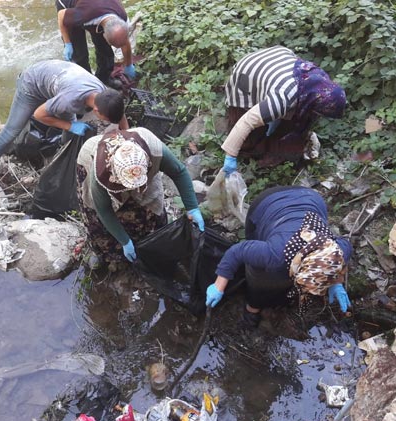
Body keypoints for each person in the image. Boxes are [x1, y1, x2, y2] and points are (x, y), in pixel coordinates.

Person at [204, 186, 353, 328]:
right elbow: (237, 251)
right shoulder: (275, 254)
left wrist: (335, 281)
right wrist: (219, 286)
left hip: (311, 200)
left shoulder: (339, 250)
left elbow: (343, 251)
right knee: (260, 274)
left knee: (275, 269)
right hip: (267, 203)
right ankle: (252, 308)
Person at [0, 59, 128, 195]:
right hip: (31, 84)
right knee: (11, 131)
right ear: (96, 111)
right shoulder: (69, 100)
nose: (106, 122)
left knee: (70, 127)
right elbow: (39, 115)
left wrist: (127, 136)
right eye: (105, 119)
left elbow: (119, 112)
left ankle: (62, 158)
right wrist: (70, 125)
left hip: (58, 80)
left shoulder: (105, 95)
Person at [76, 127, 204, 264]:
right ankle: (109, 256)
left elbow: (179, 172)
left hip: (137, 165)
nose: (134, 189)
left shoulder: (154, 150)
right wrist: (124, 241)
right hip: (91, 160)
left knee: (149, 210)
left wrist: (192, 208)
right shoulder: (100, 174)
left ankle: (146, 248)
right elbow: (104, 210)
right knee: (97, 220)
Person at [221, 46, 346, 172]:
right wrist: (230, 156)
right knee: (250, 138)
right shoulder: (283, 99)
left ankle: (274, 148)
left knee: (293, 121)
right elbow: (246, 121)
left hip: (280, 58)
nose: (318, 116)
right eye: (319, 112)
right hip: (248, 72)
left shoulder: (319, 82)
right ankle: (251, 150)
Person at [56, 0, 136, 84]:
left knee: (105, 49)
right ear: (104, 34)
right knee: (79, 53)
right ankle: (86, 82)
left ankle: (104, 79)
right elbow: (61, 16)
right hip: (69, 5)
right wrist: (67, 43)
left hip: (93, 8)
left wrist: (128, 64)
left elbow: (124, 41)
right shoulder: (84, 16)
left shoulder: (122, 18)